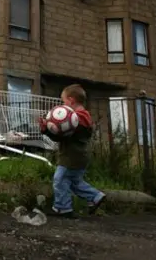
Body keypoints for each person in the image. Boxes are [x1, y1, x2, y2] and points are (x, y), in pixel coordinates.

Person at [38, 84, 106, 218]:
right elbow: (61, 137)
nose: (63, 104)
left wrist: (50, 127)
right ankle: (95, 196)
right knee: (74, 182)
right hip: (80, 155)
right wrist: (46, 129)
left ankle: (62, 207)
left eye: (63, 101)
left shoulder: (76, 118)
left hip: (71, 156)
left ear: (71, 100)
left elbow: (62, 135)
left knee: (60, 179)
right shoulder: (82, 118)